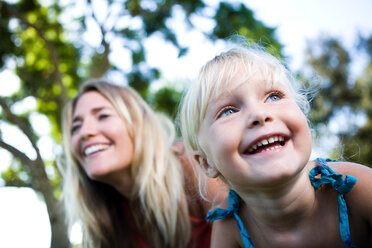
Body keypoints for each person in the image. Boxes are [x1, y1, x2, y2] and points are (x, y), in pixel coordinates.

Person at [179, 43, 372, 247]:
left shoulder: (356, 188)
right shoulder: (231, 227)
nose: (260, 115)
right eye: (228, 111)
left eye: (274, 96)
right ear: (207, 163)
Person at [59, 79, 224, 248]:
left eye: (103, 116)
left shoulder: (192, 165)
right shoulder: (106, 216)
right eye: (76, 127)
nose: (85, 132)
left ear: (139, 124)